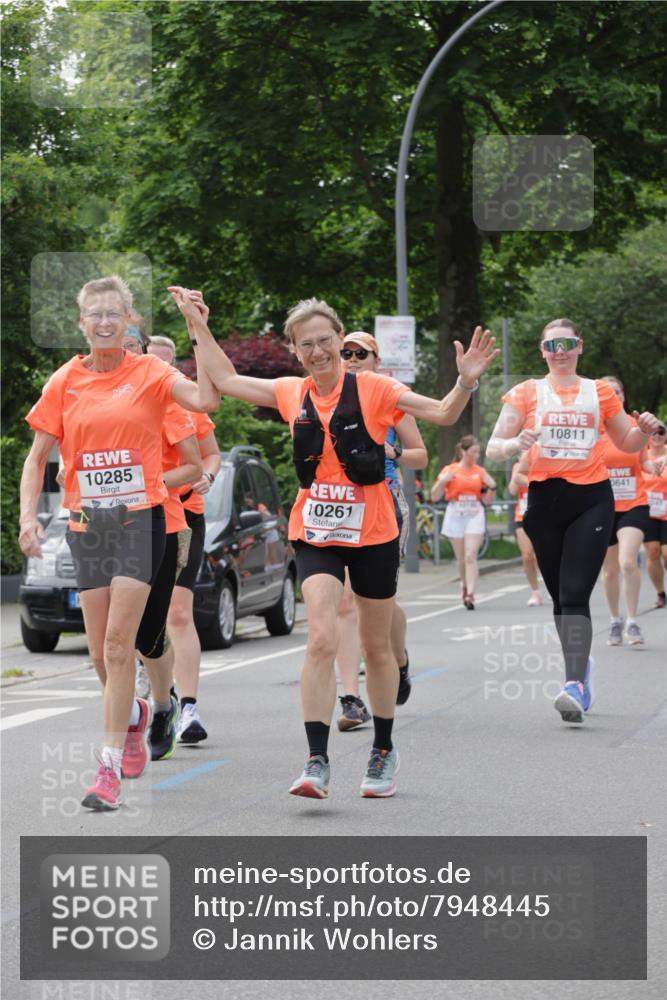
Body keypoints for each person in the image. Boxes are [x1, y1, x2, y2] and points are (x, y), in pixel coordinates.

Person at [169, 287, 497, 798]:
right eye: (307, 345)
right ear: (295, 351)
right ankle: (316, 760)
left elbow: (440, 414)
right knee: (320, 636)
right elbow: (228, 379)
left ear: (340, 339)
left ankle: (383, 750)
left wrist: (465, 382)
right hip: (316, 531)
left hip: (374, 532)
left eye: (325, 341)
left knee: (376, 646)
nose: (318, 352)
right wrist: (198, 325)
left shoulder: (376, 390)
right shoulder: (290, 392)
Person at [19, 275, 218, 811]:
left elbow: (206, 398)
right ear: (81, 322)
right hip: (88, 526)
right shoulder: (65, 380)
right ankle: (132, 716)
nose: (105, 322)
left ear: (129, 320)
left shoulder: (151, 372)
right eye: (94, 314)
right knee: (103, 661)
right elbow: (38, 458)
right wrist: (27, 520)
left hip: (141, 522)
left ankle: (105, 772)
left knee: (117, 644)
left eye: (114, 313)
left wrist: (197, 325)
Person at [486, 318, 660, 725]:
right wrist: (516, 443)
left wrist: (644, 430)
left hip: (591, 499)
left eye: (566, 343)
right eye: (551, 345)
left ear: (579, 346)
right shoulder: (527, 392)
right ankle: (582, 669)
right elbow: (495, 446)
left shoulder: (598, 391)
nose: (559, 351)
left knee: (576, 591)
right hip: (544, 501)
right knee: (561, 600)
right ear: (542, 351)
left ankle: (573, 685)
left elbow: (626, 442)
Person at [335, 331, 427, 731]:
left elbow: (420, 456)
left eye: (361, 353)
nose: (352, 358)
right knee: (344, 602)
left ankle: (399, 659)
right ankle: (351, 699)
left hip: (384, 501)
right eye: (345, 353)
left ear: (376, 360)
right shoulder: (324, 396)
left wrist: (392, 452)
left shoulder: (391, 398)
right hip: (336, 507)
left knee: (376, 602)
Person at [147, 335, 222, 743]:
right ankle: (161, 693)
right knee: (145, 618)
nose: (160, 369)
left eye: (167, 363)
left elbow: (210, 455)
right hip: (136, 518)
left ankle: (188, 707)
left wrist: (206, 475)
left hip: (183, 515)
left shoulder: (186, 404)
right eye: (151, 361)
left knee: (177, 611)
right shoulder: (128, 401)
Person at [599, 377, 651, 646]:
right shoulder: (592, 429)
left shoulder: (634, 426)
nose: (613, 395)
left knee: (628, 562)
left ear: (623, 395)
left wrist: (659, 466)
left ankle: (632, 621)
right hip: (602, 506)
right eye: (607, 392)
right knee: (609, 572)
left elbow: (645, 464)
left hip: (634, 504)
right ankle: (614, 620)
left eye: (617, 391)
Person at [429, 435, 496, 610]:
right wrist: (442, 482)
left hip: (474, 513)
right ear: (463, 452)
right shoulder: (450, 470)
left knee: (470, 555)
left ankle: (471, 594)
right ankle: (464, 585)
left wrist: (492, 487)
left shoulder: (480, 471)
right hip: (456, 513)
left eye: (478, 452)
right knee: (461, 559)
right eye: (473, 452)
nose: (476, 455)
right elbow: (434, 497)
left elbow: (487, 501)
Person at [508, 450, 543, 606]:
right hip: (522, 515)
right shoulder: (517, 467)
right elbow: (512, 490)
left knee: (543, 555)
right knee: (527, 555)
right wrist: (519, 473)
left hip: (543, 515)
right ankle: (535, 592)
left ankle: (554, 585)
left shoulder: (543, 465)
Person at [643, 423, 667, 608]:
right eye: (654, 432)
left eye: (661, 432)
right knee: (652, 552)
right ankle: (660, 593)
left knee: (666, 553)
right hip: (647, 510)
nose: (657, 435)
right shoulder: (642, 454)